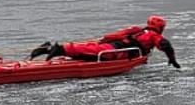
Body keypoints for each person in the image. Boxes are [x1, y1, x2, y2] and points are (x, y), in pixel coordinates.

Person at [29, 16, 181, 68]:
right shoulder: (153, 36)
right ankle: (58, 50)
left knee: (88, 48)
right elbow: (166, 45)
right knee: (90, 53)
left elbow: (116, 34)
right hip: (118, 52)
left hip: (113, 44)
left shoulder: (136, 29)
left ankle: (51, 49)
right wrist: (172, 60)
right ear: (160, 27)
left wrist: (103, 39)